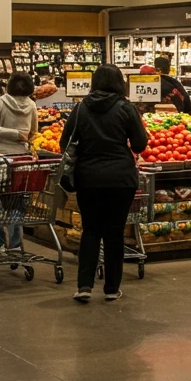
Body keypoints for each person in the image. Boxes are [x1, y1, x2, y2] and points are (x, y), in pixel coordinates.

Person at [61, 64, 148, 303]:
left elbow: (64, 143)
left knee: (90, 230)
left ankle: (84, 286)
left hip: (88, 178)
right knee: (114, 233)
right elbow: (140, 144)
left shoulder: (80, 109)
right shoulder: (126, 108)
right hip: (120, 178)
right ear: (120, 83)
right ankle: (111, 289)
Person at [0, 72, 39, 252]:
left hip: (0, 159)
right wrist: (20, 135)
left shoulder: (0, 102)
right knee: (17, 202)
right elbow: (33, 132)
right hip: (22, 159)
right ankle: (15, 245)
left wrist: (10, 134)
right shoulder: (31, 105)